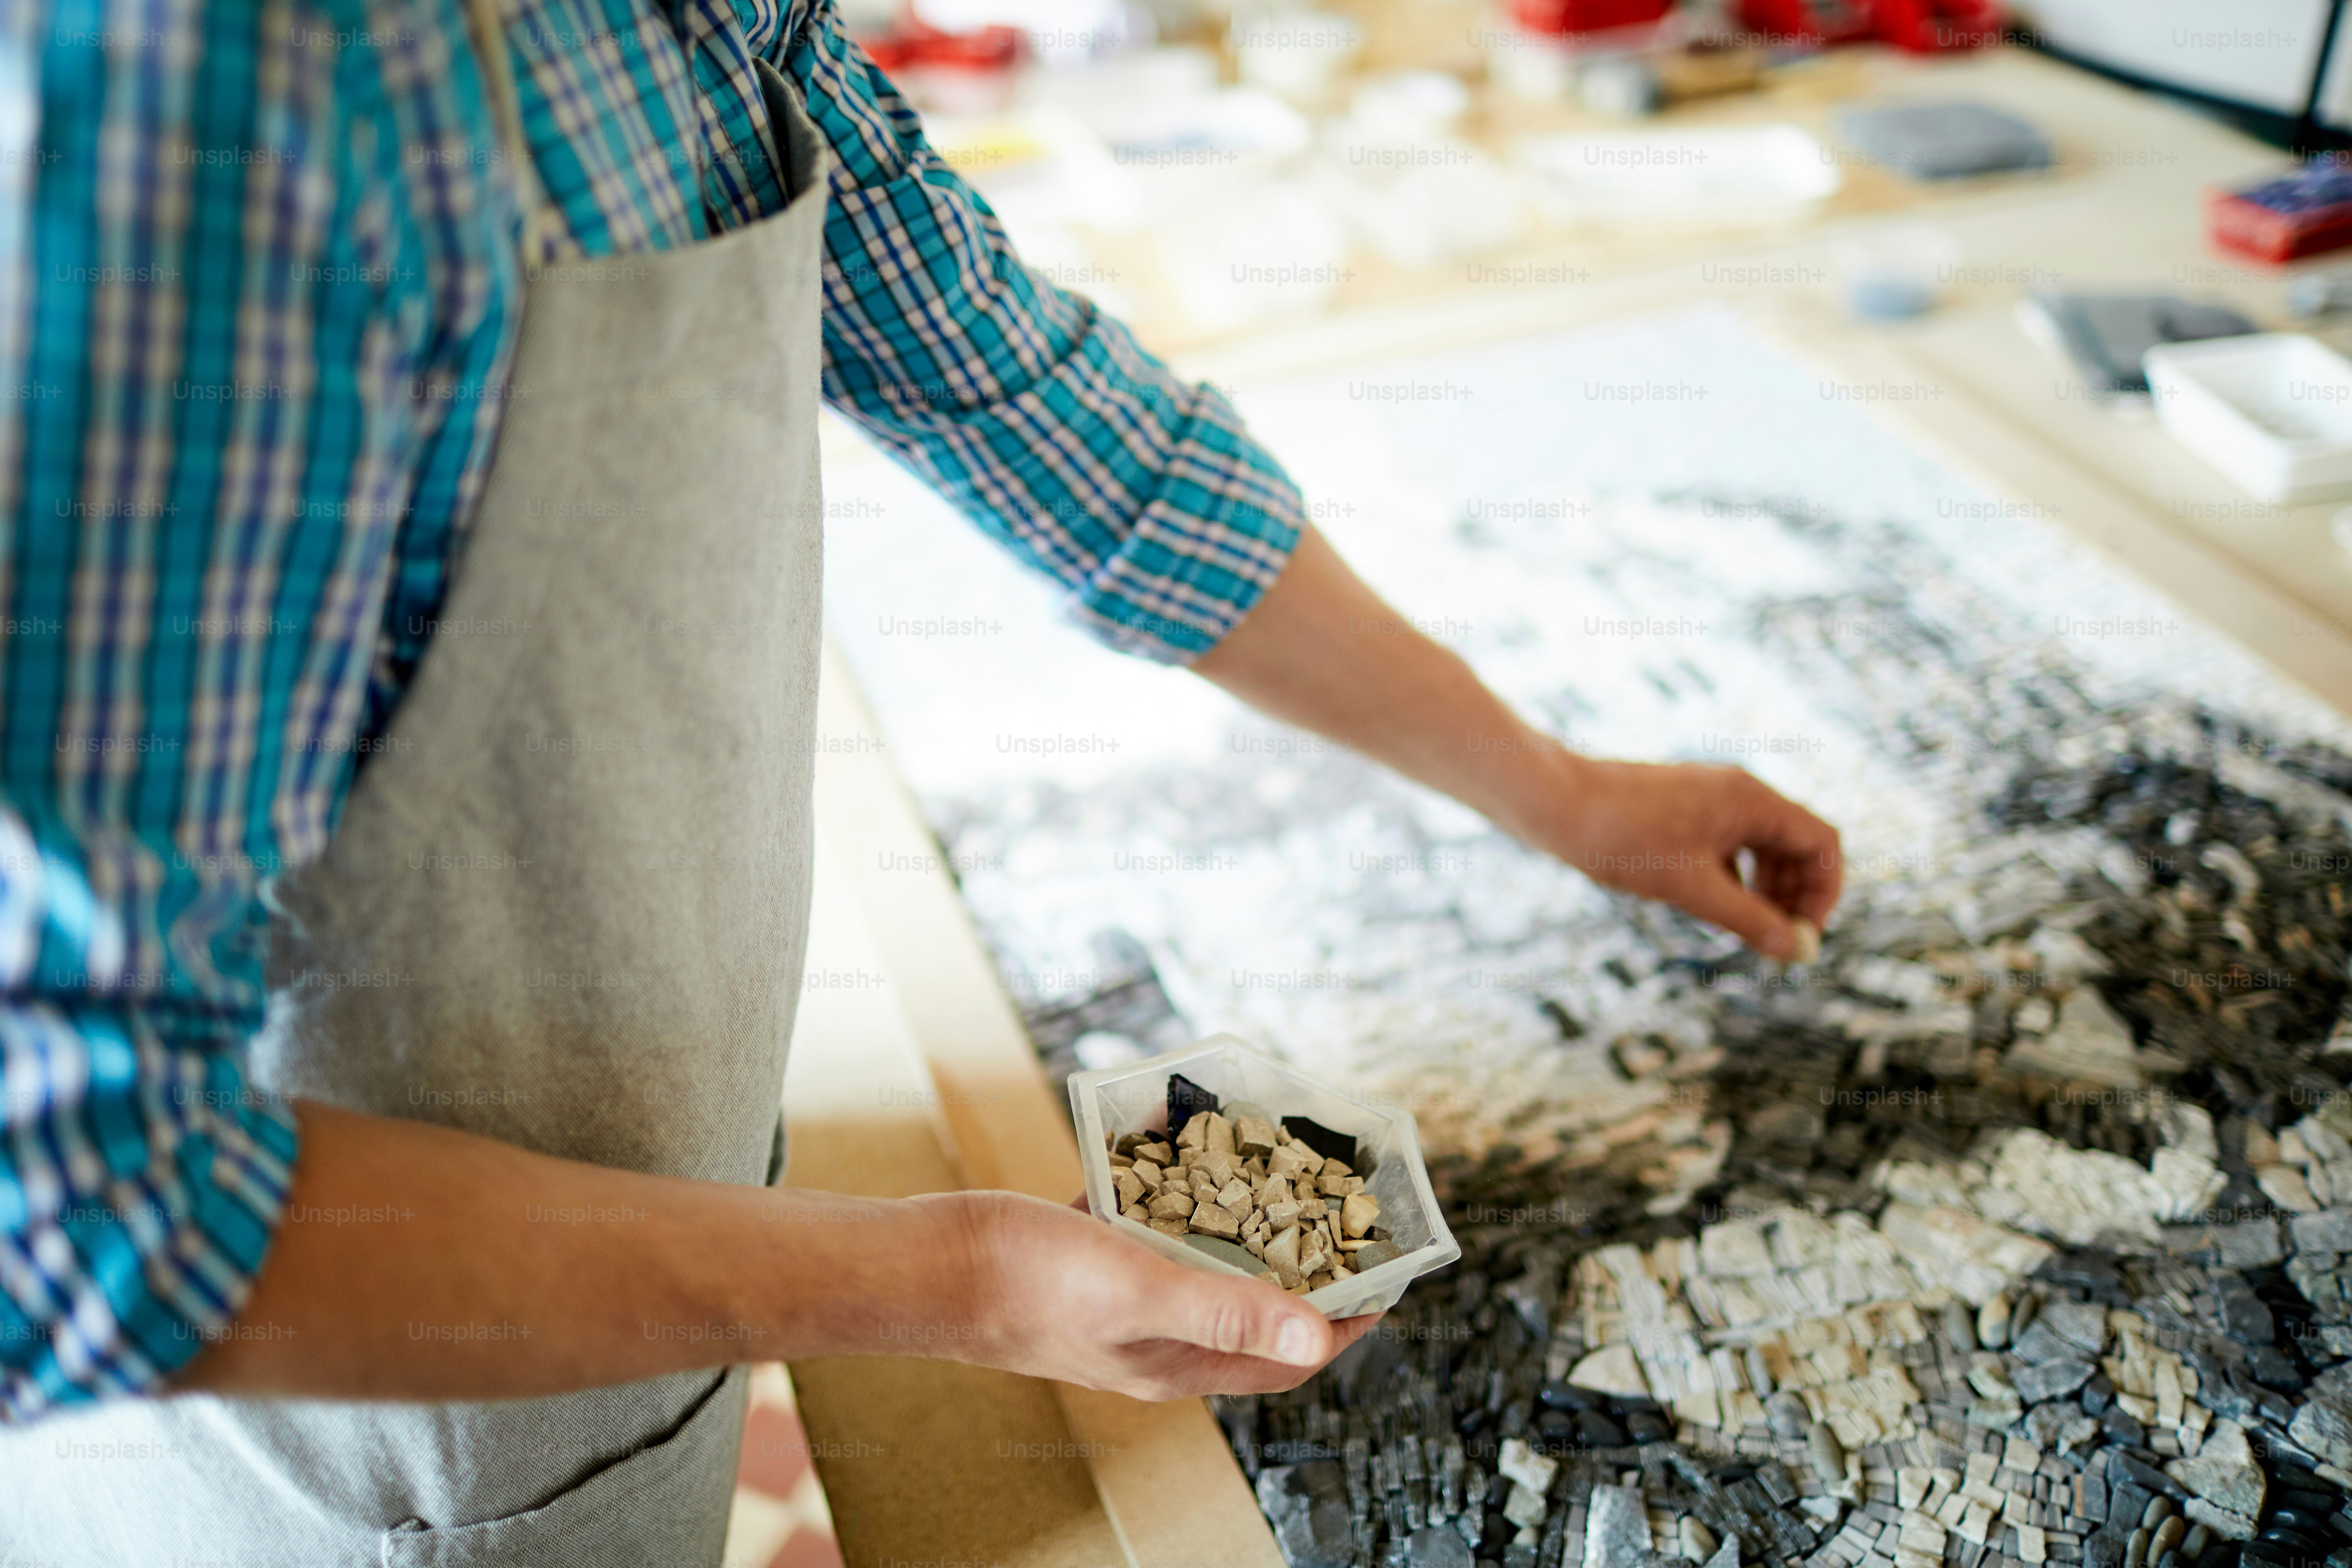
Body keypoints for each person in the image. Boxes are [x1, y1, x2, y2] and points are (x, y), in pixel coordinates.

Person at [0, 0, 1841, 1555]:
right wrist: (947, 1282)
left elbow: (1041, 414)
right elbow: (67, 1212)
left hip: (640, 1256)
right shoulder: (217, 96)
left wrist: (1550, 786)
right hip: (332, 1448)